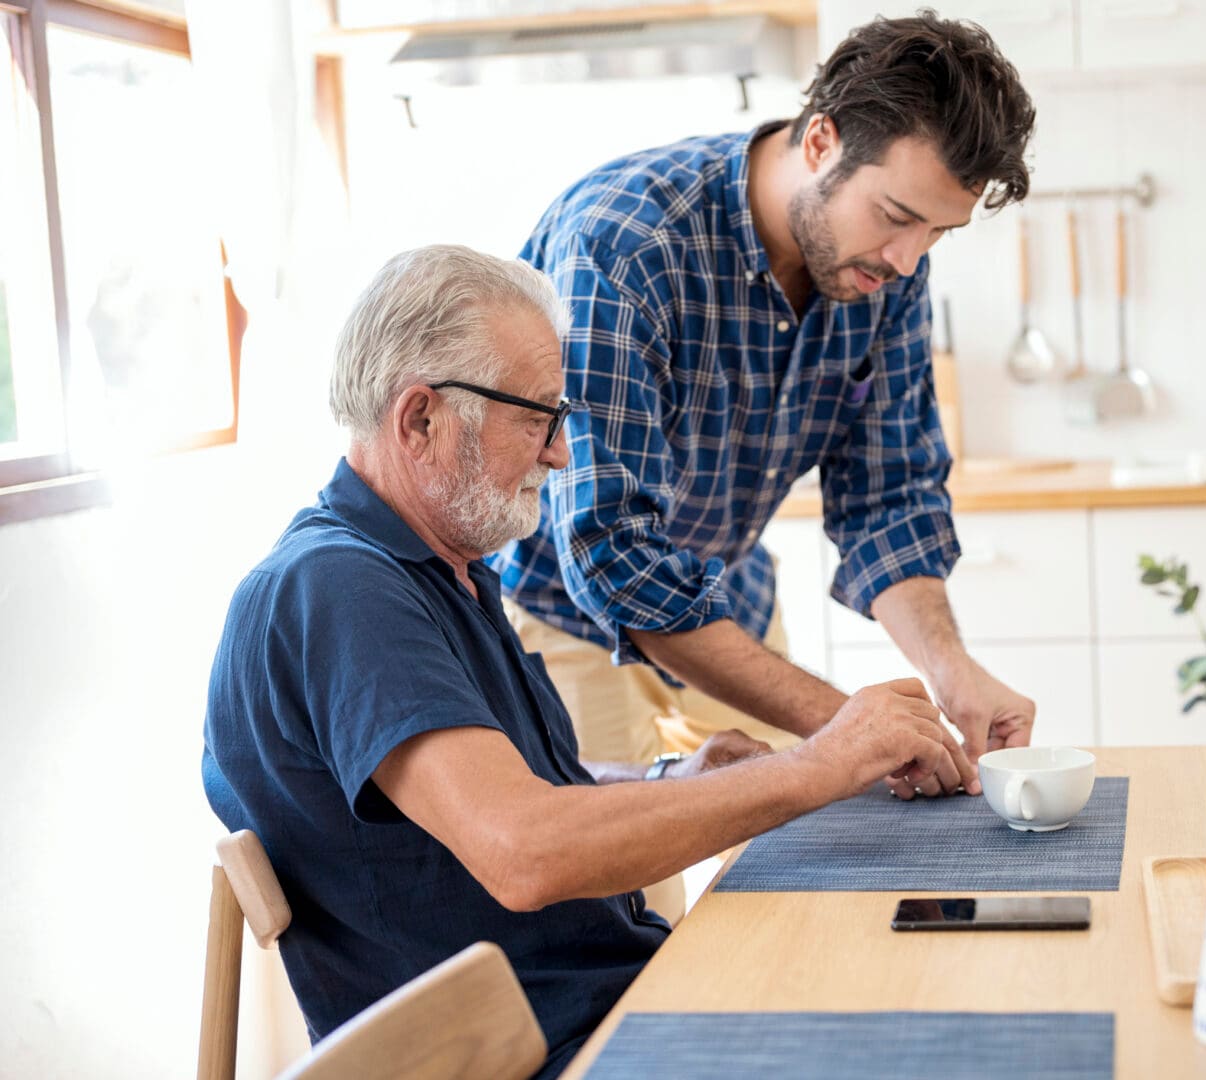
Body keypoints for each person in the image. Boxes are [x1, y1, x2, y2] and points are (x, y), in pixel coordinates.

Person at [202, 245, 965, 1079]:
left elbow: (503, 794)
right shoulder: (336, 588)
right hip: (548, 1052)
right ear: (420, 418)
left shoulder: (433, 572)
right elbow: (524, 851)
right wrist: (820, 763)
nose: (561, 454)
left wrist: (674, 781)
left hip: (603, 1010)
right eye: (537, 418)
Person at [493, 12, 1041, 913]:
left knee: (789, 889)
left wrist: (950, 674)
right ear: (820, 138)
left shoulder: (882, 270)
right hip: (564, 625)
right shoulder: (626, 243)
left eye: (935, 235)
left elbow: (889, 496)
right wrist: (844, 728)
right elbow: (613, 557)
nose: (907, 261)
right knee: (629, 922)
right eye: (897, 218)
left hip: (725, 600)